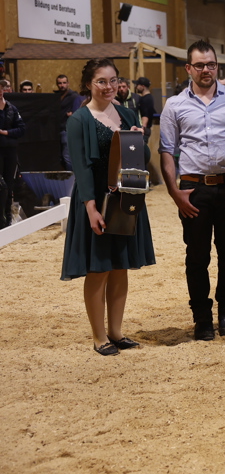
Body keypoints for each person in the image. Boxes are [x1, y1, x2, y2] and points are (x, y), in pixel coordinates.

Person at [160, 40, 225, 341]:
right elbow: (166, 151)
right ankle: (201, 317)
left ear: (217, 66)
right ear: (188, 68)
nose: (206, 70)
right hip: (193, 189)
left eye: (211, 64)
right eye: (199, 65)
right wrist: (174, 192)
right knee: (196, 256)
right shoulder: (174, 105)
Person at [60, 58, 155, 355]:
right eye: (102, 81)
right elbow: (82, 168)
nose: (109, 87)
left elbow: (142, 156)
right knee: (98, 269)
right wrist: (91, 208)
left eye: (113, 80)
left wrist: (141, 140)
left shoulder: (127, 113)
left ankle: (116, 331)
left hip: (126, 198)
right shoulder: (79, 120)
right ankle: (99, 336)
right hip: (95, 201)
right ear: (89, 84)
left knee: (120, 267)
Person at [0, 79, 26, 229]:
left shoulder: (11, 108)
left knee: (9, 185)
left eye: (2, 89)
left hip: (10, 151)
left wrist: (5, 132)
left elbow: (22, 129)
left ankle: (8, 219)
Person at [56, 74, 81, 170]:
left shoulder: (74, 96)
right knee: (61, 157)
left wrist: (73, 114)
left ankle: (72, 179)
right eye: (60, 83)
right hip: (58, 129)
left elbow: (80, 111)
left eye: (64, 83)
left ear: (68, 83)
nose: (62, 85)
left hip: (68, 130)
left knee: (67, 157)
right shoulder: (57, 96)